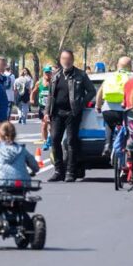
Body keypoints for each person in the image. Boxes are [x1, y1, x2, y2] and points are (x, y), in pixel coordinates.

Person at [45, 50, 96, 183]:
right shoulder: (55, 75)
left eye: (68, 59)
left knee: (71, 142)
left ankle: (70, 172)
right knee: (55, 140)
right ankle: (58, 171)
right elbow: (50, 96)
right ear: (60, 60)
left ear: (72, 60)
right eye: (63, 59)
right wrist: (46, 112)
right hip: (56, 113)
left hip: (73, 113)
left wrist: (81, 103)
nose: (66, 61)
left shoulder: (80, 75)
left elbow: (91, 91)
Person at [95, 56, 132, 161]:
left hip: (108, 110)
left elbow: (100, 93)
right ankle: (128, 149)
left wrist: (98, 106)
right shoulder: (131, 77)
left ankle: (107, 145)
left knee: (109, 124)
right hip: (124, 111)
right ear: (130, 66)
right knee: (130, 128)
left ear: (117, 66)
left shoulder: (109, 77)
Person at [33, 66, 53, 150]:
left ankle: (50, 139)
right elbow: (34, 92)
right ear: (43, 73)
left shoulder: (53, 82)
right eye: (46, 72)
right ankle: (45, 141)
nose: (48, 74)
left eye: (49, 72)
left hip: (52, 107)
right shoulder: (39, 82)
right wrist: (31, 99)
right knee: (44, 124)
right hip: (42, 107)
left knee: (51, 126)